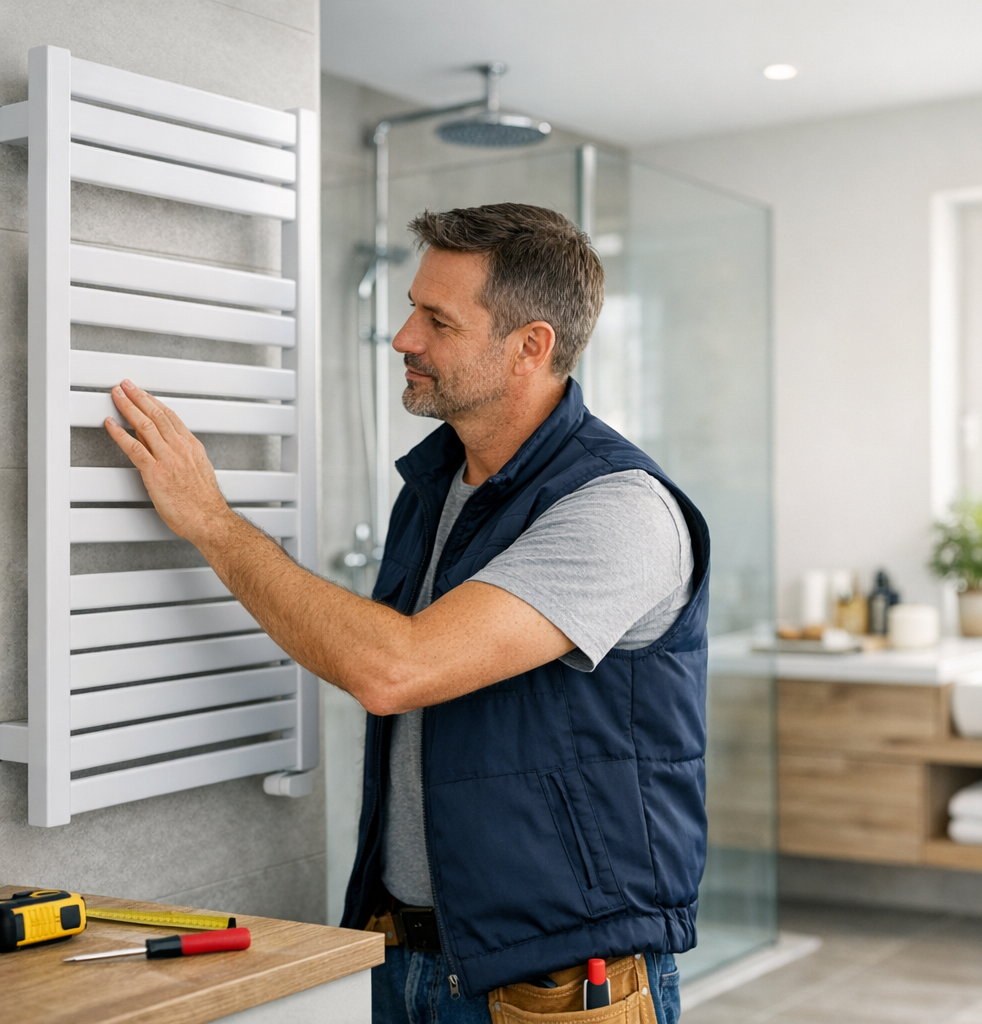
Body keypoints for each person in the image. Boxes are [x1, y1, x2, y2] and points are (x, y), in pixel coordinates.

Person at [104, 203, 709, 1024]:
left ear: (531, 345)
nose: (402, 338)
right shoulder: (435, 488)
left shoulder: (619, 509)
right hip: (410, 956)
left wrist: (211, 519)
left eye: (436, 319)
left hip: (554, 991)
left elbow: (398, 669)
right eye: (410, 308)